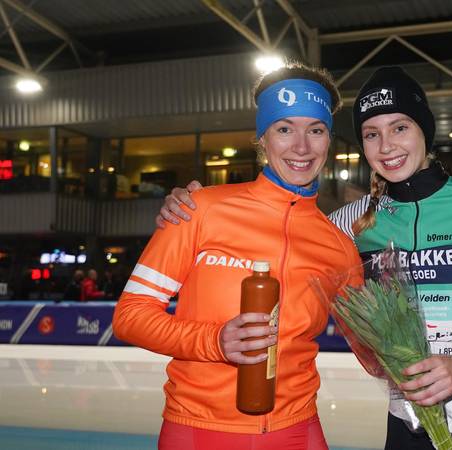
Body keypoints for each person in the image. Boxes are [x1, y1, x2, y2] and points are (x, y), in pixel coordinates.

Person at [157, 66, 452, 450]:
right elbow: (282, 230)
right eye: (371, 134)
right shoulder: (349, 225)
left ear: (425, 129)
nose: (386, 147)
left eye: (400, 127)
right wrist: (190, 207)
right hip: (407, 423)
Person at [113, 62, 361, 450]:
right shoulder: (199, 209)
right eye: (284, 129)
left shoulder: (339, 245)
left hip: (297, 429)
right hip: (197, 428)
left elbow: (373, 340)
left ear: (329, 139)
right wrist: (215, 341)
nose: (301, 147)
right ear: (262, 138)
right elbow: (130, 317)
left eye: (316, 130)